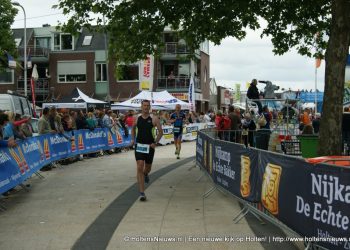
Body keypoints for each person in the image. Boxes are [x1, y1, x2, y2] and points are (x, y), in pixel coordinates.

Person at [131, 100, 163, 201]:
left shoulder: (154, 118)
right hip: (139, 146)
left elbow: (161, 132)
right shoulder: (136, 118)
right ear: (141, 106)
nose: (145, 107)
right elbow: (132, 129)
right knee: (139, 166)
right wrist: (133, 140)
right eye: (144, 105)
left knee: (147, 168)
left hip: (149, 147)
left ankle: (146, 174)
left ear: (149, 107)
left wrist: (155, 143)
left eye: (147, 106)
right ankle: (142, 193)